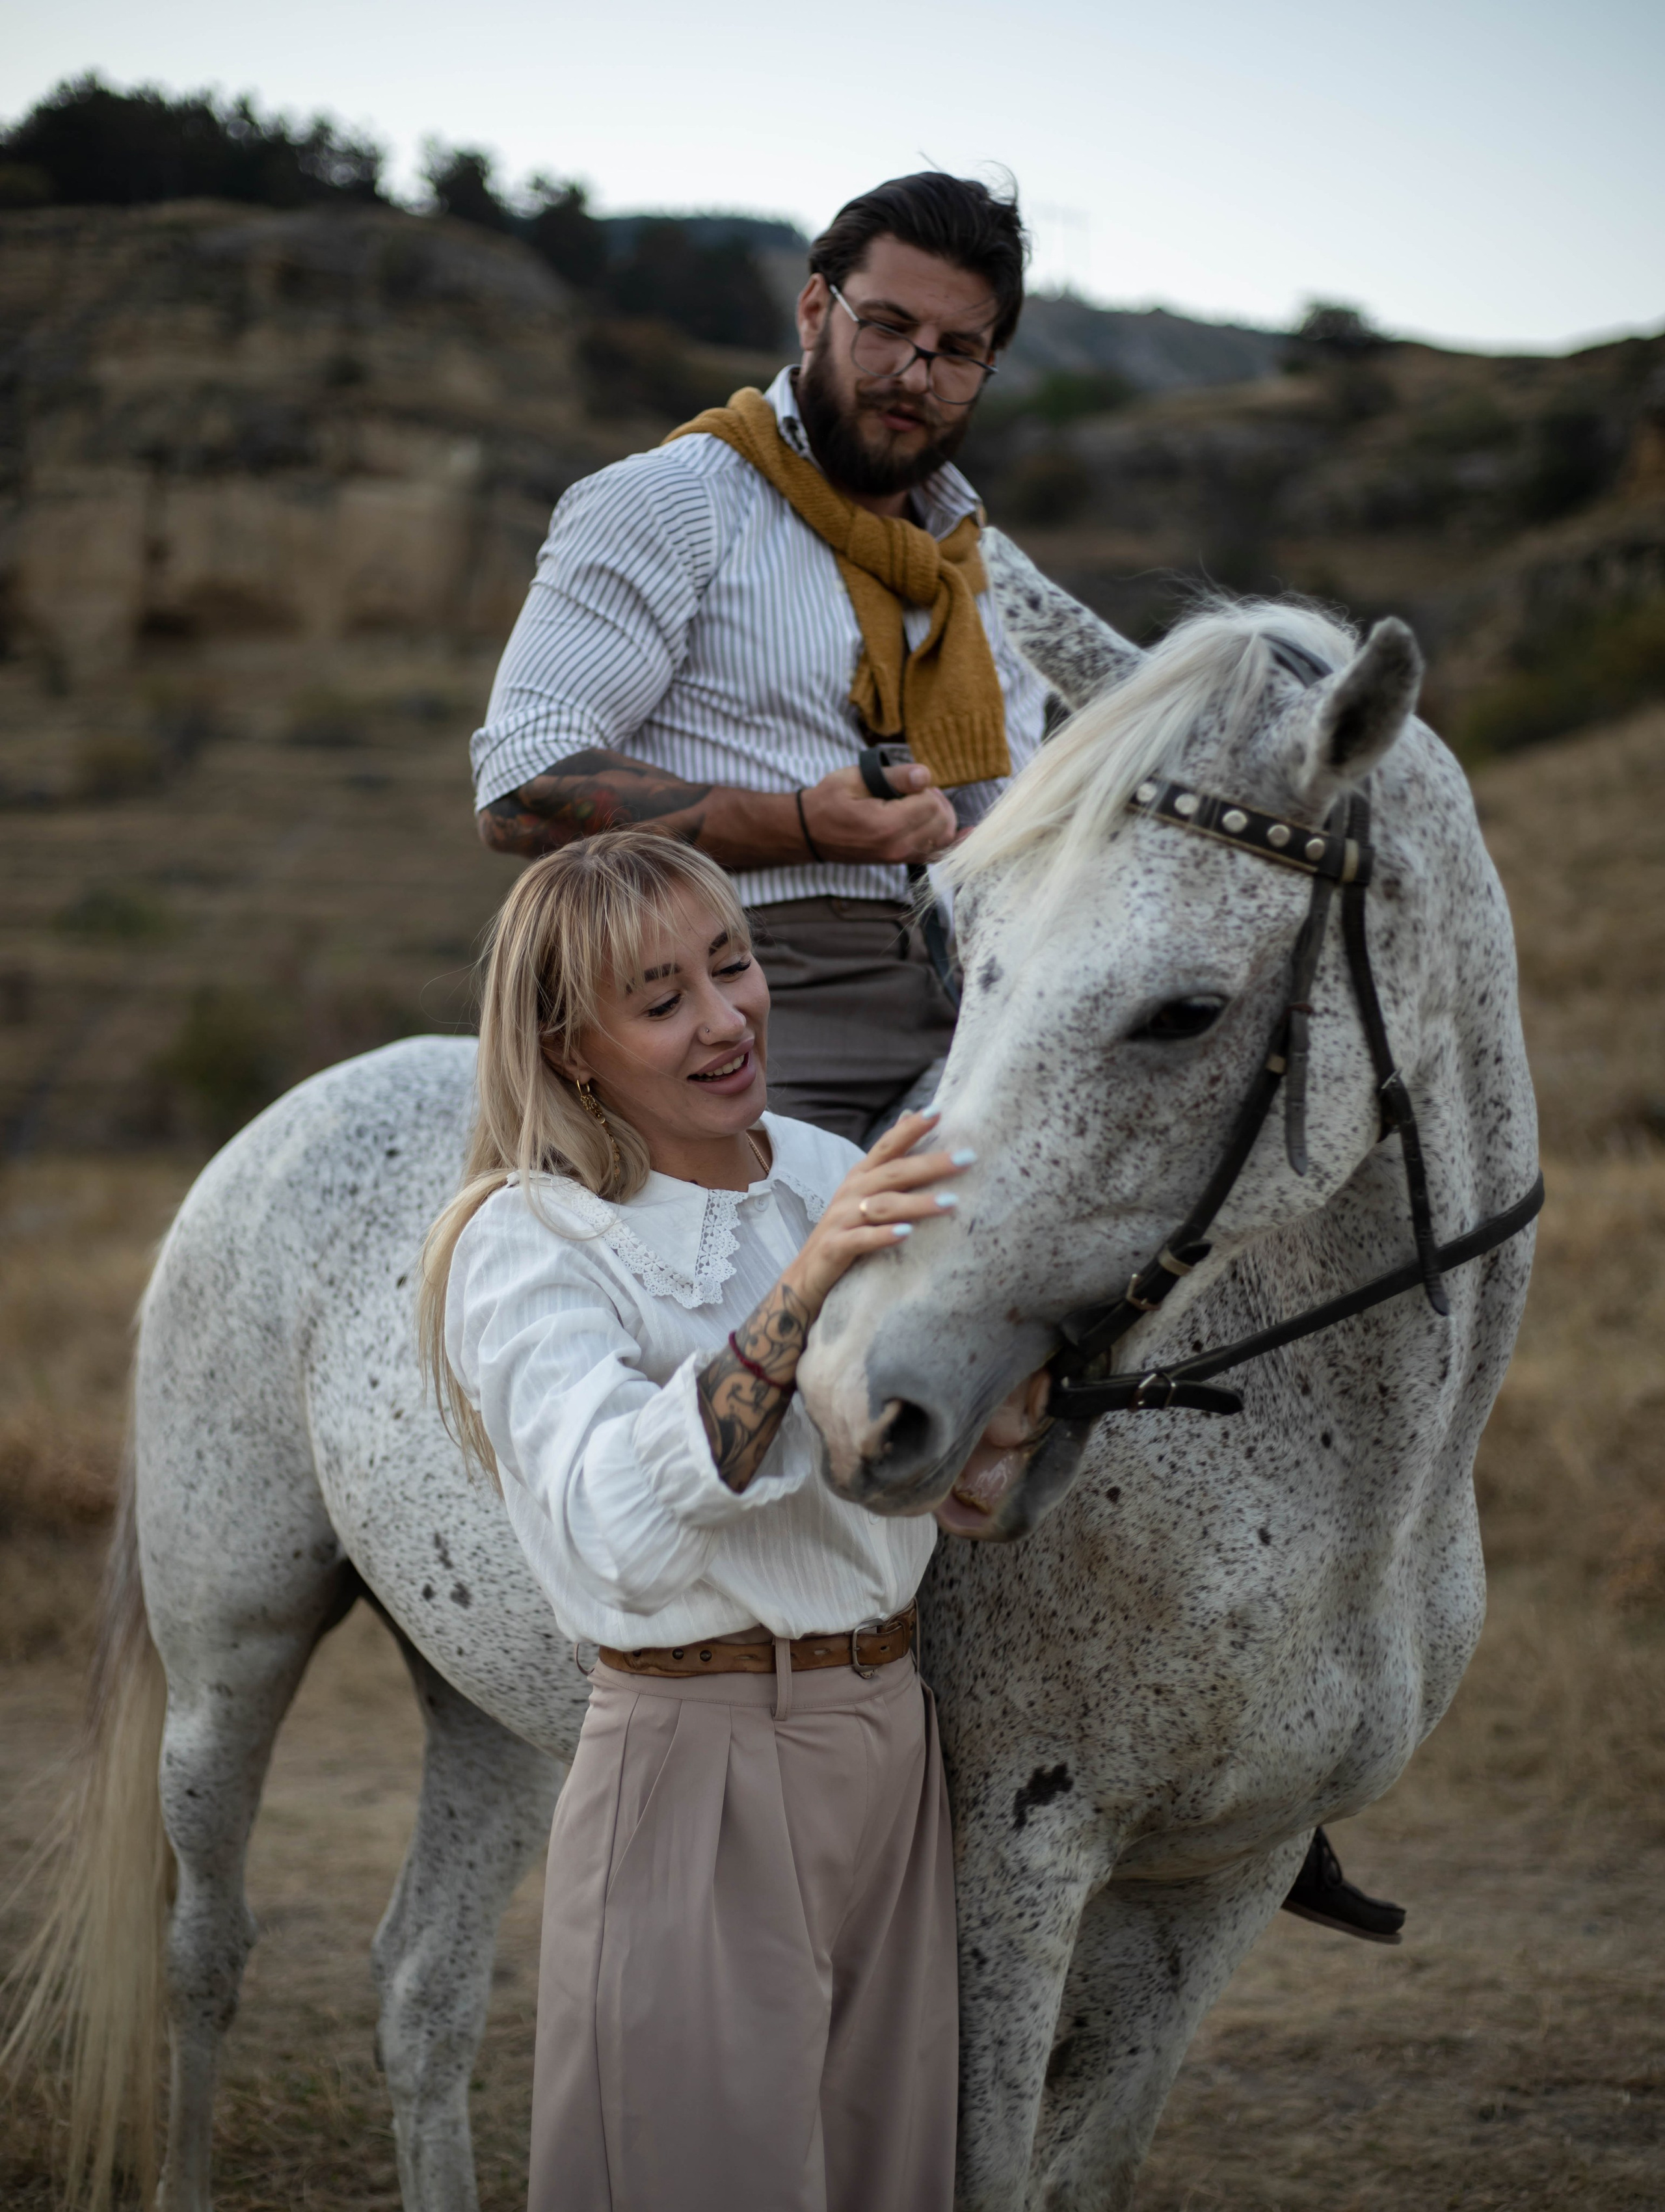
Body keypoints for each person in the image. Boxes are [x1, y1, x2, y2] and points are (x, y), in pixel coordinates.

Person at [420, 830, 973, 2212]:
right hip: (698, 1757)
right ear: (567, 1048)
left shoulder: (826, 1169)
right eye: (662, 1000)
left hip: (894, 1742)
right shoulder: (530, 1240)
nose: (726, 1019)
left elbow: (913, 1458)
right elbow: (616, 1525)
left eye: (732, 966)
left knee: (883, 2183)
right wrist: (809, 1283)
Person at [470, 170, 1049, 1141]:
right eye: (888, 327)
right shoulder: (671, 502)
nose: (915, 373)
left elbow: (1023, 844)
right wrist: (803, 825)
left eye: (958, 353)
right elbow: (521, 785)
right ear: (816, 307)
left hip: (976, 1003)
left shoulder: (991, 574)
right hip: (720, 992)